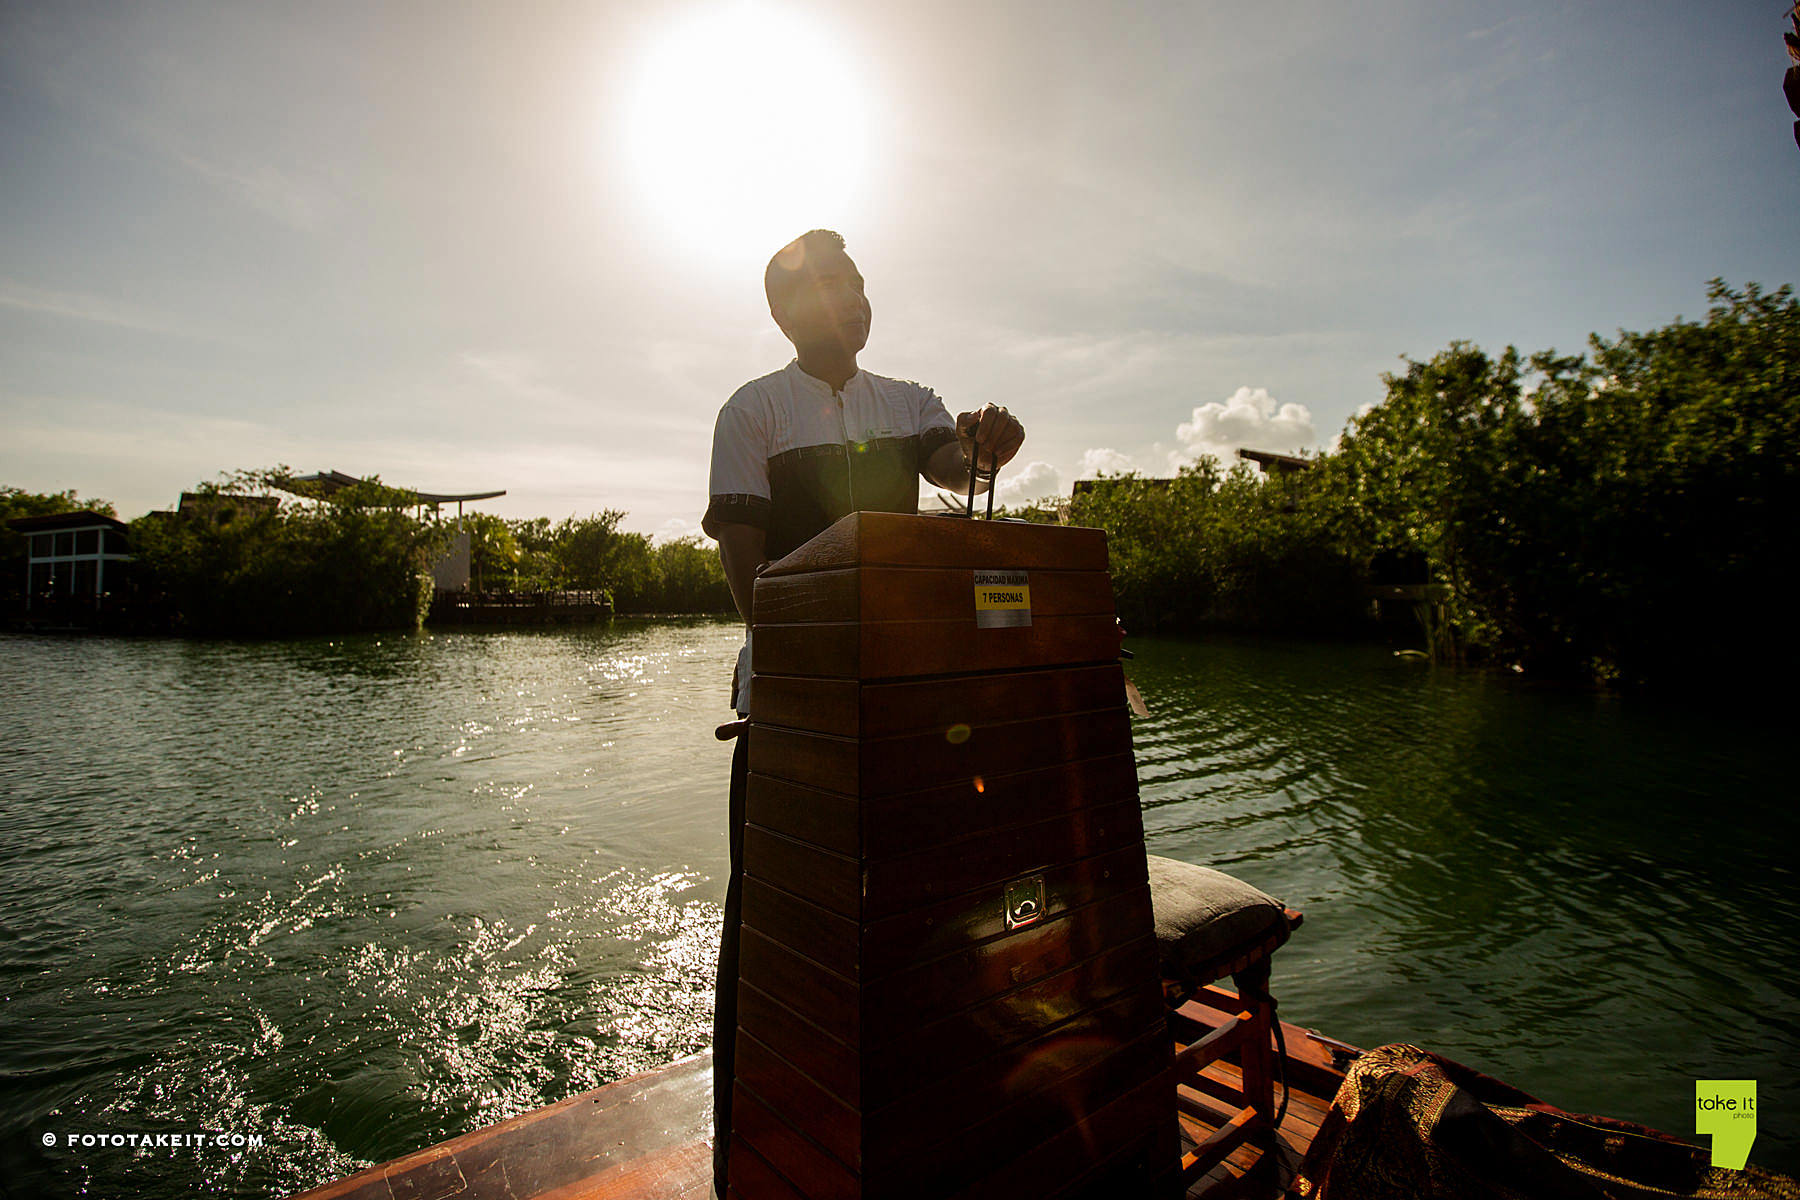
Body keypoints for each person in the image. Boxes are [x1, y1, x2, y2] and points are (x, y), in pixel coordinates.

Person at [699, 228, 1024, 1196]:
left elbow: (956, 475)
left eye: (861, 283)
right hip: (795, 712)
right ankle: (745, 1156)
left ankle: (914, 1137)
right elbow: (744, 566)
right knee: (768, 929)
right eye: (835, 285)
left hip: (907, 705)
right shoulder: (750, 412)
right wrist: (805, 669)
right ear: (788, 312)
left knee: (925, 920)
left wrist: (983, 447)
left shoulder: (912, 404)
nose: (857, 297)